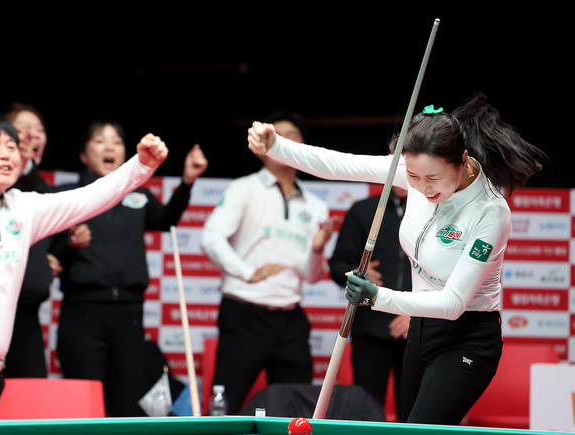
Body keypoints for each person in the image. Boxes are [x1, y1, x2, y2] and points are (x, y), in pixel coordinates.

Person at [247, 93, 547, 425]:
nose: (422, 188)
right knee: (408, 426)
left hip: (468, 336)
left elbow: (453, 303)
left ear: (463, 161)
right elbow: (340, 164)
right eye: (413, 178)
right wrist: (277, 147)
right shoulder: (413, 169)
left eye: (432, 178)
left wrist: (377, 297)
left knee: (420, 430)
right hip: (421, 330)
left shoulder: (490, 212)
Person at [0, 111, 168, 421]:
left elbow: (90, 198)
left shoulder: (22, 207)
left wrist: (140, 166)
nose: (5, 154)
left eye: (11, 147)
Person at [52, 120, 208, 417]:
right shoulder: (67, 194)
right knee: (85, 408)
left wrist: (188, 181)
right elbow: (48, 256)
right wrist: (69, 244)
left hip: (129, 315)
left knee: (126, 406)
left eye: (116, 141)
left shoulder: (138, 195)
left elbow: (165, 220)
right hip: (82, 315)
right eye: (100, 140)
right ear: (83, 154)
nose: (109, 147)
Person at [200, 111, 336, 415]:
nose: (285, 141)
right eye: (278, 135)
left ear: (304, 147)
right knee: (225, 407)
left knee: (295, 411)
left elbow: (312, 276)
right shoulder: (244, 188)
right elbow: (210, 237)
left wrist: (316, 250)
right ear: (262, 147)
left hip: (291, 320)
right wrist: (248, 272)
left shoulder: (316, 205)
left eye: (293, 136)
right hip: (244, 315)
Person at [2, 103, 92, 377]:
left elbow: (52, 251)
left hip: (27, 317)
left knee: (30, 397)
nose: (33, 135)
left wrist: (68, 246)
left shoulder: (44, 191)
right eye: (24, 128)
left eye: (39, 130)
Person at [329, 185, 411, 421]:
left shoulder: (438, 211)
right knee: (366, 413)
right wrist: (357, 273)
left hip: (417, 331)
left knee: (415, 416)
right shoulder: (364, 210)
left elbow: (448, 278)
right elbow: (338, 266)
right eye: (400, 169)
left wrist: (419, 315)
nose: (405, 177)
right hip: (369, 330)